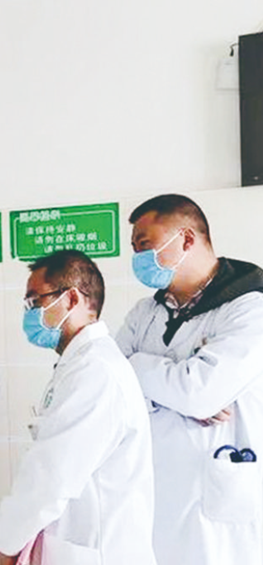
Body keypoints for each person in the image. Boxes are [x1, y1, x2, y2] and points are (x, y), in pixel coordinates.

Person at [116, 194, 263, 565]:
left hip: (219, 501)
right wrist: (173, 389)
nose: (137, 257)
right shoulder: (144, 312)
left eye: (144, 244)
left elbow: (200, 394)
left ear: (185, 239)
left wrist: (136, 366)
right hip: (154, 494)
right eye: (134, 248)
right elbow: (110, 389)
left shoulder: (250, 307)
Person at [0, 250, 156, 565]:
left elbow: (50, 478)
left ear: (71, 299)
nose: (29, 313)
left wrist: (8, 543)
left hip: (99, 552)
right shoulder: (81, 364)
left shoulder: (95, 371)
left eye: (35, 301)